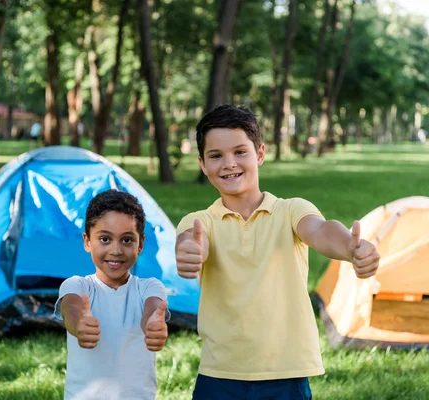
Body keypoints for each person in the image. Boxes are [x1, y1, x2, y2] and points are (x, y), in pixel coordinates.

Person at [175, 105, 380, 400]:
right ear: (203, 164)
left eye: (239, 152)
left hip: (285, 375)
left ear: (260, 153)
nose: (229, 163)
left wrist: (351, 247)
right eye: (216, 155)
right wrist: (189, 251)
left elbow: (321, 231)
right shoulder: (200, 222)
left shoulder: (290, 210)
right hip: (219, 373)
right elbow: (190, 241)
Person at [55, 189, 169, 400]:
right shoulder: (76, 285)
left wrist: (153, 325)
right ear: (87, 241)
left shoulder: (150, 287)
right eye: (105, 239)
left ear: (140, 244)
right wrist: (78, 323)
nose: (116, 250)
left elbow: (152, 311)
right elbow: (71, 308)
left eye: (126, 240)